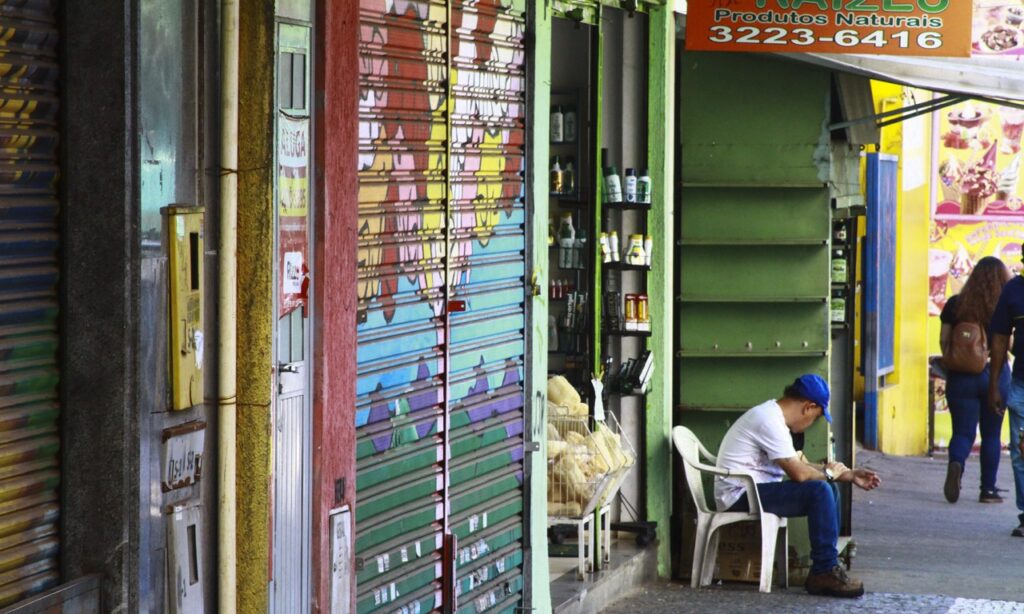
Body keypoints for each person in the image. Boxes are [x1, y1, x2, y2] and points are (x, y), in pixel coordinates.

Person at [714, 374, 881, 598]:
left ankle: (826, 568)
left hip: (755, 491)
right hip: (739, 495)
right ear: (808, 407)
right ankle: (823, 569)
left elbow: (801, 465)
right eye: (816, 417)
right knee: (820, 490)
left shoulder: (775, 418)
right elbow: (800, 475)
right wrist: (832, 473)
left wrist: (847, 475)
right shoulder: (769, 420)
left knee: (829, 488)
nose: (812, 423)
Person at [940, 256, 1012, 504]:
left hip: (961, 376)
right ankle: (987, 490)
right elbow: (1009, 345)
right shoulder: (1003, 305)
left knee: (962, 431)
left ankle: (956, 463)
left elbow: (944, 341)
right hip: (995, 374)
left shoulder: (955, 304)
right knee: (991, 435)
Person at [987, 248, 1024, 537]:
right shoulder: (1013, 290)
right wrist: (995, 383)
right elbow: (999, 339)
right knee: (1021, 452)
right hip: (1021, 386)